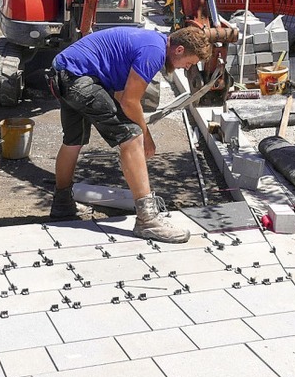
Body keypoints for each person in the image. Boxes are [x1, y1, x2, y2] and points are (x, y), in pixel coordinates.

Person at [47, 25, 211, 243]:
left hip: (64, 72)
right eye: (189, 63)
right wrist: (147, 138)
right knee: (132, 137)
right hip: (79, 78)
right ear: (179, 50)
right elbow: (130, 102)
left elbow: (121, 93)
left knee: (73, 141)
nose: (185, 68)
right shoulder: (155, 51)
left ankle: (62, 204)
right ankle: (147, 220)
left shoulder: (151, 41)